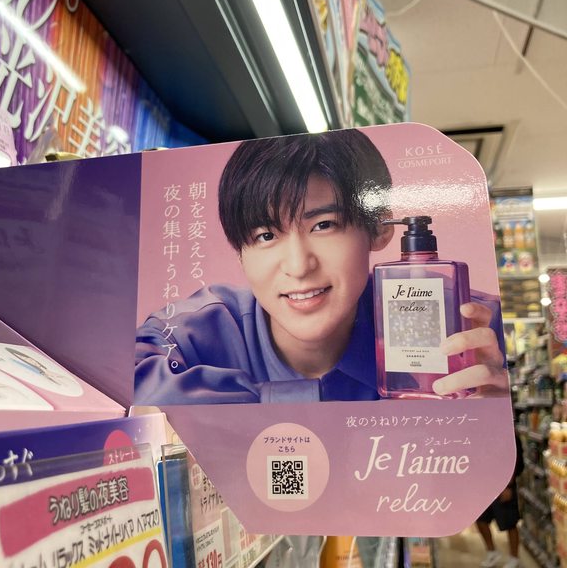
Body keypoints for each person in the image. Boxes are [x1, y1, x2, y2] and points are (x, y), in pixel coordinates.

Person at [134, 130, 508, 405]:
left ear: (379, 228)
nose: (299, 266)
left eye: (324, 225)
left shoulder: (467, 327)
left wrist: (493, 419)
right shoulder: (189, 334)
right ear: (240, 252)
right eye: (266, 235)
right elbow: (124, 391)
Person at [476, 434, 524, 568]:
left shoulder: (509, 434)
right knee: (480, 519)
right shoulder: (482, 432)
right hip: (485, 484)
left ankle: (514, 558)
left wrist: (508, 485)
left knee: (510, 522)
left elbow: (514, 460)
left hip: (503, 484)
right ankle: (492, 552)